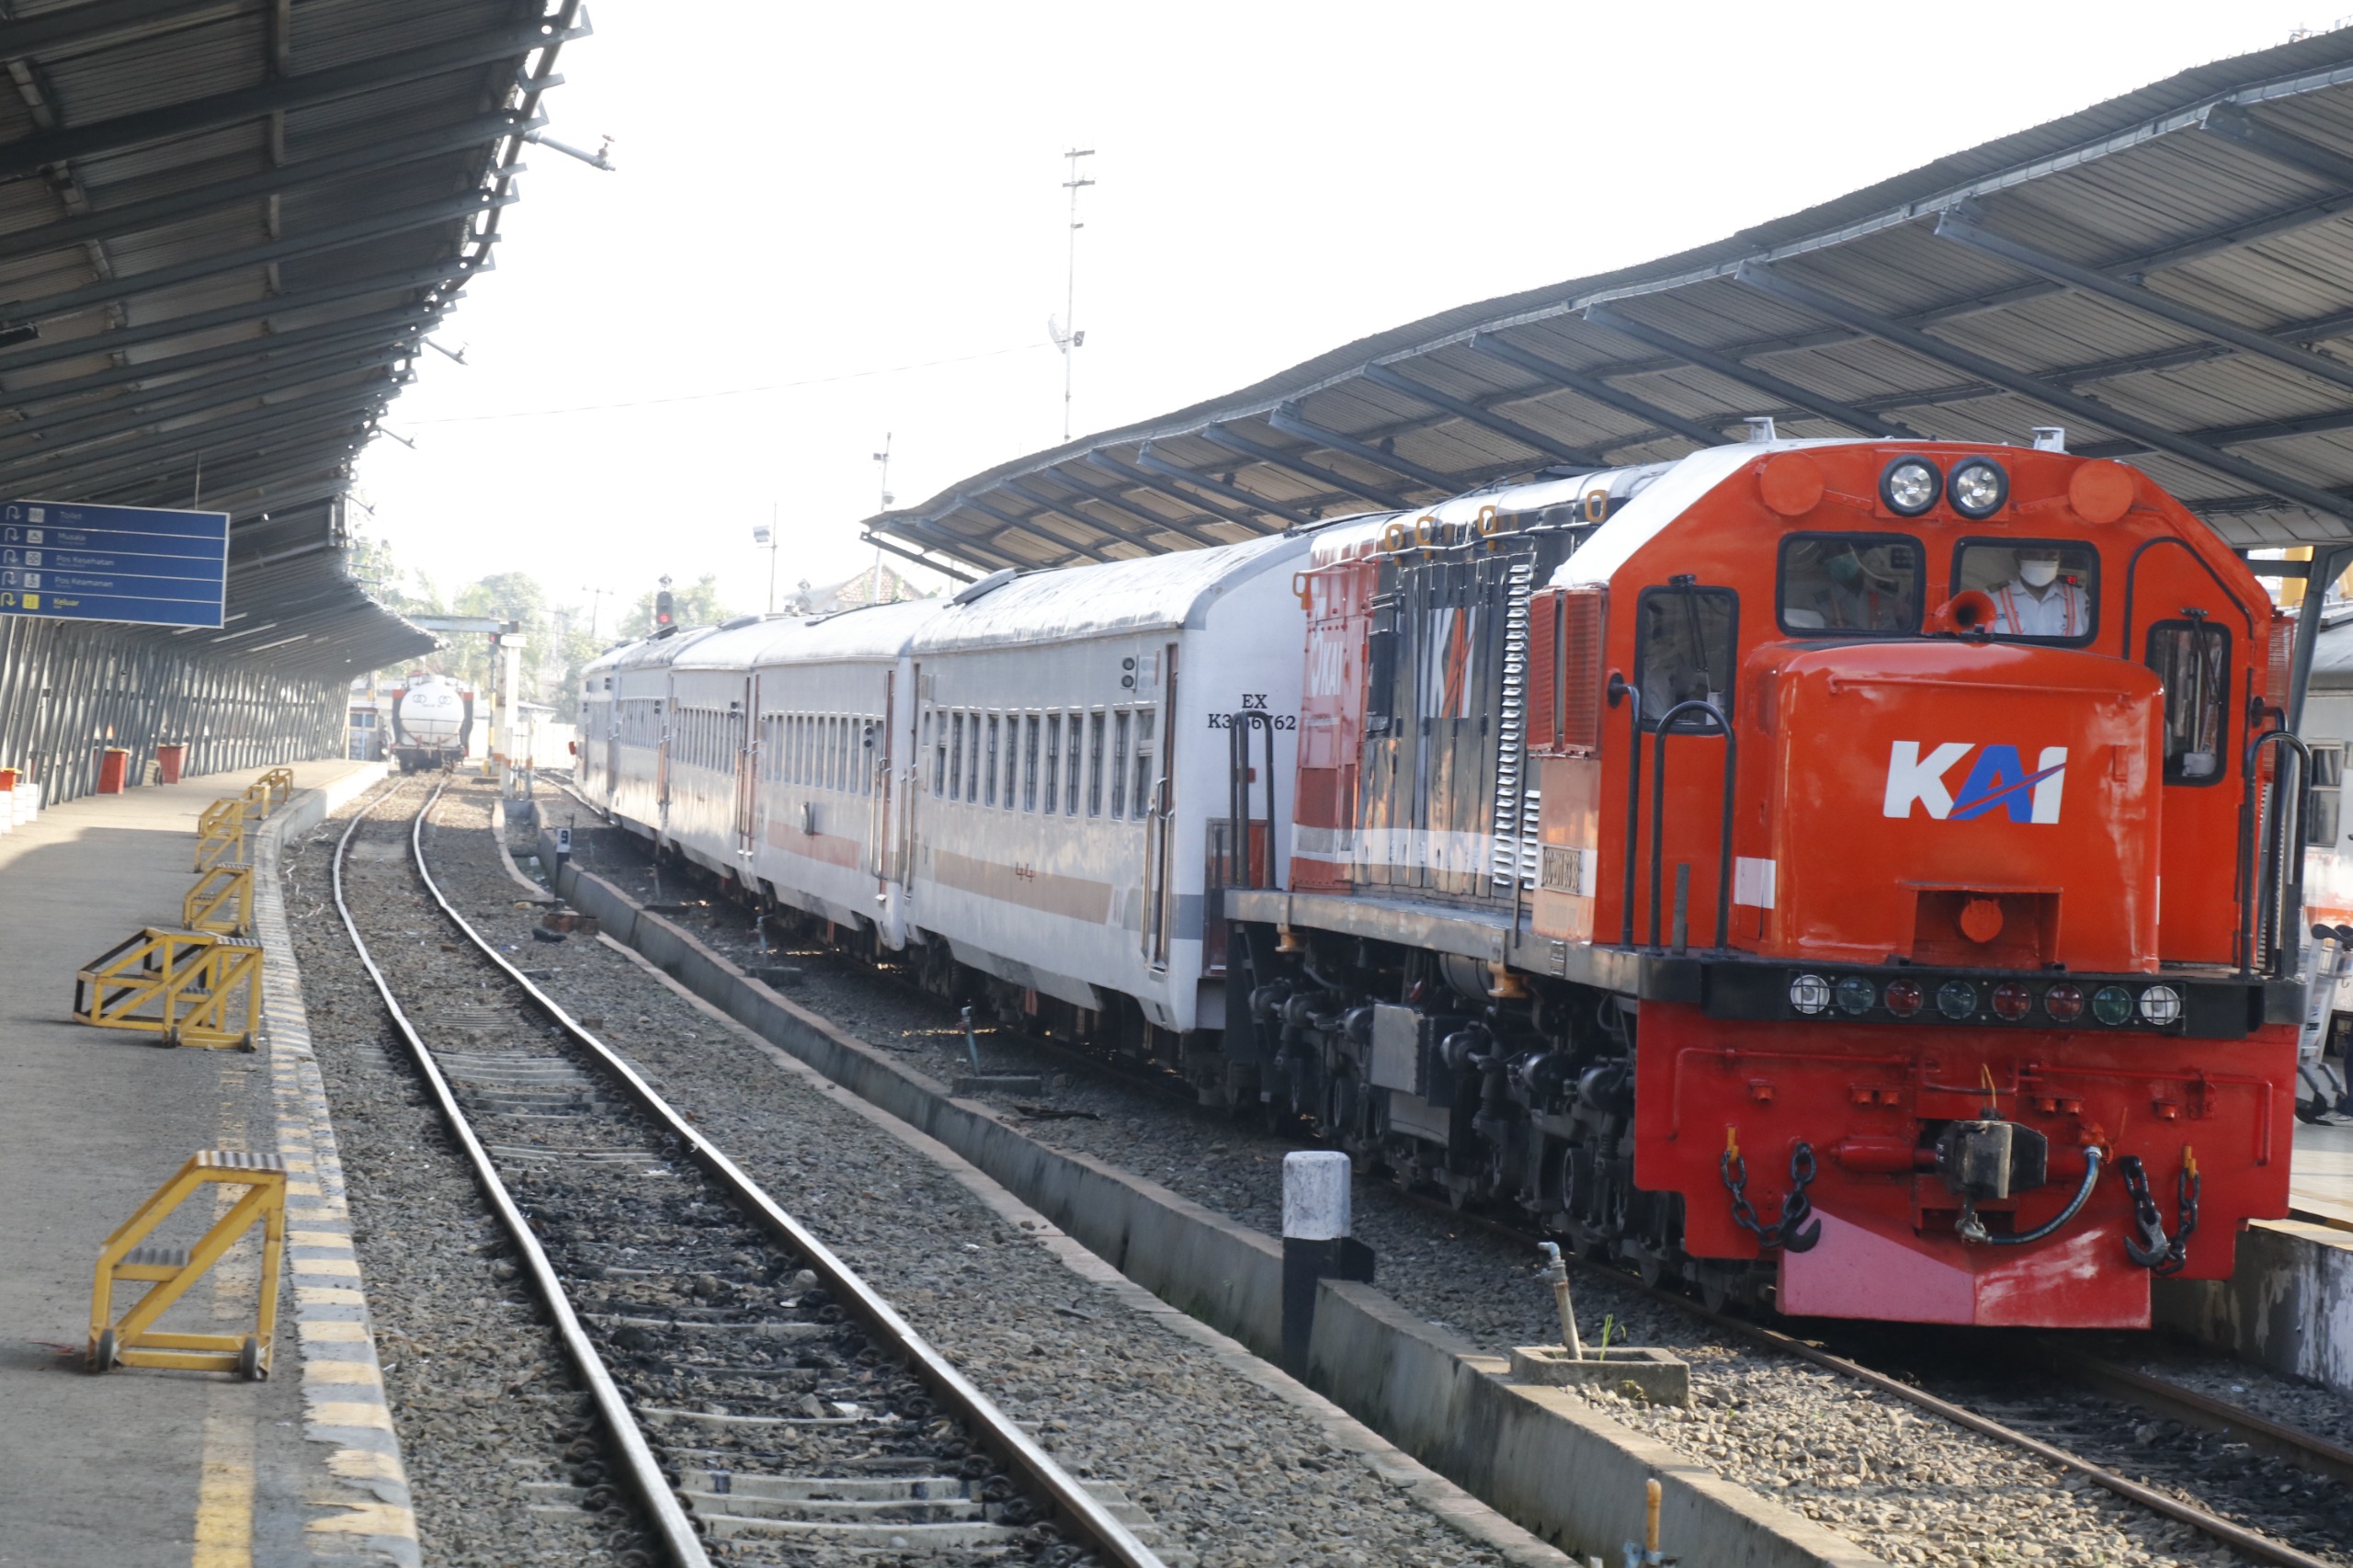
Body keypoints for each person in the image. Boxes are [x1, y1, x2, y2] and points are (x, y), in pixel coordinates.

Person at [1985, 548, 2087, 637]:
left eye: (2050, 556)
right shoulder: (1994, 600)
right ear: (2017, 558)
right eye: (2032, 555)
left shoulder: (2079, 599)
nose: (2041, 562)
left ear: (2060, 558)